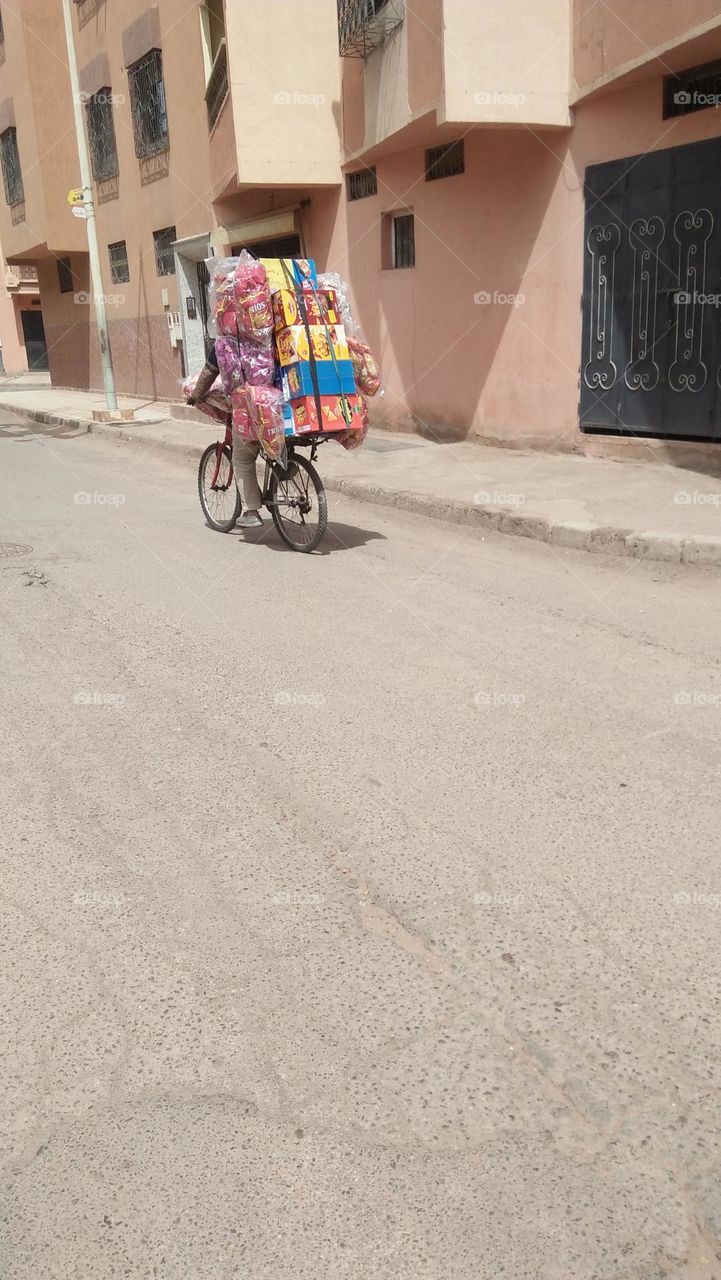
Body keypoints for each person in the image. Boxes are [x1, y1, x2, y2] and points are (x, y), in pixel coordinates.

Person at [187, 342, 264, 529]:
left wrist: (195, 396)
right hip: (281, 403)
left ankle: (252, 512)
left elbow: (209, 372)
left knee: (242, 459)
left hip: (248, 407)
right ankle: (287, 470)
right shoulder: (268, 334)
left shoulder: (224, 343)